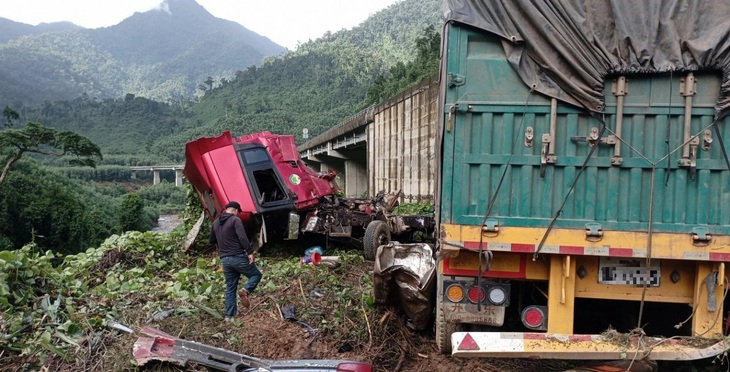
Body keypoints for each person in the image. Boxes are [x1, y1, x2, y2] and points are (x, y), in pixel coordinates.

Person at [209, 201, 262, 322]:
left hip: (225, 260)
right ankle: (246, 290)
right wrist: (249, 252)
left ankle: (229, 317)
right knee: (256, 274)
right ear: (236, 211)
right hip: (237, 256)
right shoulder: (235, 220)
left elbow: (211, 240)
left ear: (226, 209)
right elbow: (242, 237)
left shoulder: (216, 222)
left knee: (230, 288)